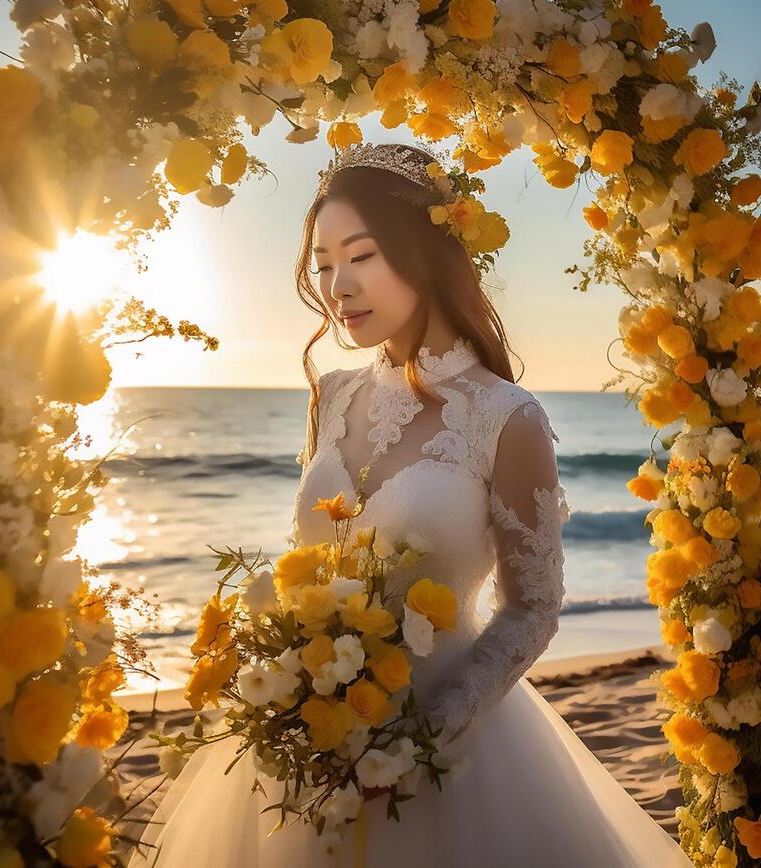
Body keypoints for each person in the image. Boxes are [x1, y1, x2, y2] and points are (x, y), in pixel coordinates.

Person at [130, 143, 693, 867]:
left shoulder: (507, 417)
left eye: (360, 255)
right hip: (310, 743)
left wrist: (420, 735)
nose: (338, 285)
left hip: (446, 758)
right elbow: (309, 563)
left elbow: (533, 608)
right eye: (324, 263)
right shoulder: (332, 396)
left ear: (422, 252)